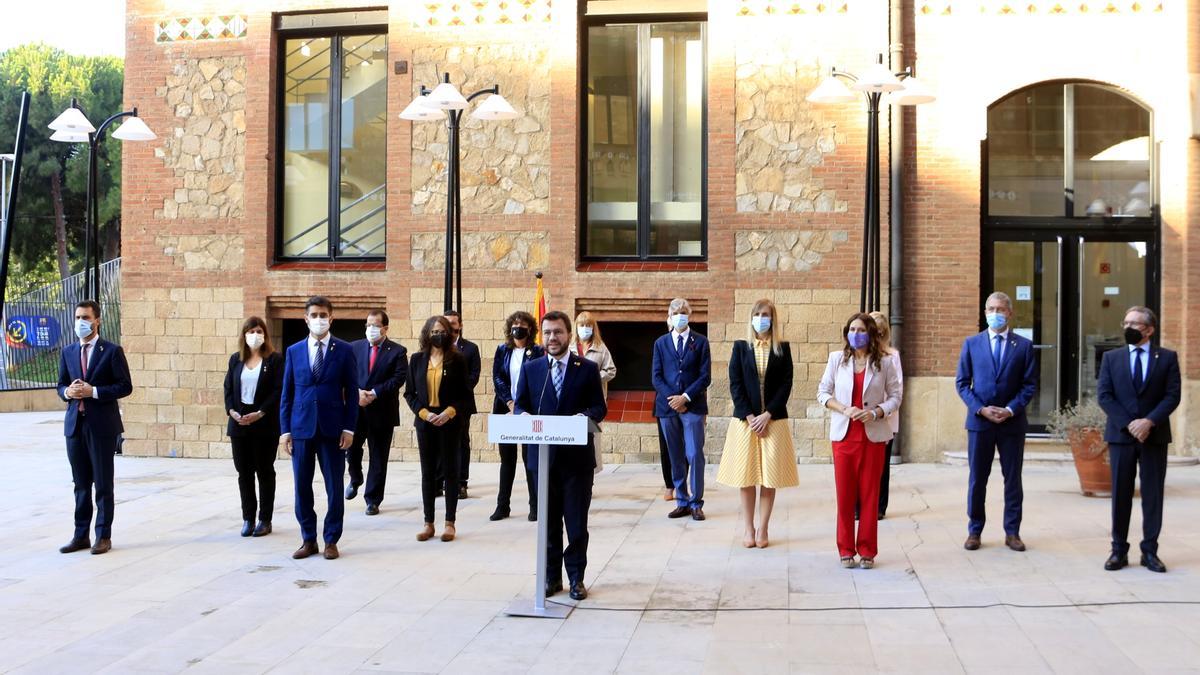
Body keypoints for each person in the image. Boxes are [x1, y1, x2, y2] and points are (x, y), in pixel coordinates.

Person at [514, 310, 607, 601]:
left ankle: (576, 578)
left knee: (576, 524)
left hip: (576, 462)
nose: (553, 338)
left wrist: (583, 416)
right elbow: (519, 406)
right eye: (548, 333)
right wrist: (524, 416)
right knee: (549, 522)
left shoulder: (586, 368)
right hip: (541, 460)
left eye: (558, 332)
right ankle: (551, 577)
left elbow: (598, 408)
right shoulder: (532, 369)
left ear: (569, 335)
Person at [1097, 306, 1181, 573]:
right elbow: (1105, 395)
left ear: (1149, 329)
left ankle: (1150, 552)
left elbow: (1172, 395)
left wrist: (1149, 421)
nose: (1129, 327)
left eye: (1135, 323)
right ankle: (1118, 551)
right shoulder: (1112, 358)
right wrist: (1130, 424)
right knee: (1120, 494)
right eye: (1126, 322)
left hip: (1154, 436)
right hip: (1122, 437)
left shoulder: (1167, 358)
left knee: (1153, 495)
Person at [955, 291, 1038, 552]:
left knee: (1012, 479)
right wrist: (980, 409)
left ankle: (1012, 532)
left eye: (1000, 309)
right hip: (980, 423)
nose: (995, 314)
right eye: (990, 309)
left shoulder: (1023, 346)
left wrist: (1010, 410)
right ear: (984, 312)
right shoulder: (972, 343)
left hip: (1011, 424)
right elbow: (962, 383)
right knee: (978, 478)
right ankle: (974, 530)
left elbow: (1029, 384)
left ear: (1010, 313)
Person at [817, 313, 902, 569]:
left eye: (861, 329)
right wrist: (844, 409)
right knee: (845, 495)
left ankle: (867, 550)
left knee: (869, 495)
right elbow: (822, 392)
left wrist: (876, 411)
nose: (856, 334)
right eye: (852, 329)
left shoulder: (885, 363)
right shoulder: (836, 359)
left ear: (871, 333)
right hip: (844, 436)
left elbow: (896, 396)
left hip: (873, 436)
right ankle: (845, 549)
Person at [280, 296, 359, 560]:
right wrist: (285, 431)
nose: (318, 319)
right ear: (305, 318)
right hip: (301, 428)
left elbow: (352, 391)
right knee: (302, 486)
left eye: (323, 314)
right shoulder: (293, 351)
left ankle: (331, 540)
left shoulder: (345, 350)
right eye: (313, 315)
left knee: (334, 487)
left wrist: (349, 429)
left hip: (333, 429)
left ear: (331, 318)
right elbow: (287, 394)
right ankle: (308, 539)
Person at [718, 299, 797, 549]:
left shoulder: (782, 348)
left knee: (769, 478)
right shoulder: (741, 348)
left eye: (767, 314)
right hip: (745, 422)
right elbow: (735, 383)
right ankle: (748, 529)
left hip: (773, 421)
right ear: (751, 317)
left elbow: (786, 383)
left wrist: (768, 414)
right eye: (758, 314)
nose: (762, 318)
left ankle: (763, 528)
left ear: (773, 319)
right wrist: (751, 416)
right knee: (747, 476)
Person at [56, 300, 133, 555]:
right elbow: (60, 385)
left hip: (101, 427)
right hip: (75, 426)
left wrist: (94, 391)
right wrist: (68, 391)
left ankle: (103, 536)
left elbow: (124, 386)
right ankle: (80, 535)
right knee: (80, 484)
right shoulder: (68, 352)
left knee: (102, 484)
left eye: (85, 317)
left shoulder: (111, 351)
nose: (81, 322)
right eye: (78, 317)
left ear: (96, 320)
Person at [405, 315, 471, 542]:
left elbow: (465, 395)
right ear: (427, 334)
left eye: (442, 330)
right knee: (428, 473)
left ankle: (450, 523)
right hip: (426, 421)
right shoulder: (416, 360)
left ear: (449, 333)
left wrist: (449, 413)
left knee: (451, 472)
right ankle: (428, 522)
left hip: (449, 422)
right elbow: (410, 394)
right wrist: (424, 414)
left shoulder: (457, 359)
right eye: (434, 331)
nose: (438, 335)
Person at [223, 317, 284, 537]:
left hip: (264, 424)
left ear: (265, 334)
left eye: (258, 331)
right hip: (239, 424)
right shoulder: (235, 360)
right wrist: (232, 411)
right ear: (244, 335)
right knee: (244, 472)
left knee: (265, 472)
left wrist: (260, 413)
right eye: (250, 331)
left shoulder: (275, 360)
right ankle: (248, 518)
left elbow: (278, 391)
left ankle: (264, 519)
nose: (254, 335)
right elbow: (228, 388)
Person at [652, 298, 712, 521]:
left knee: (694, 453)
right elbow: (656, 376)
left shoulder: (701, 341)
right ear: (669, 315)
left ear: (690, 315)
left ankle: (696, 502)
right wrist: (673, 398)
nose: (680, 315)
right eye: (675, 312)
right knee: (675, 455)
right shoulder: (660, 343)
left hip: (693, 406)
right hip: (667, 408)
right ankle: (682, 500)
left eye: (683, 312)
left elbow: (705, 376)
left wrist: (685, 397)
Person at [345, 309, 408, 515]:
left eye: (375, 325)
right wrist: (357, 393)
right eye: (368, 325)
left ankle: (373, 499)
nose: (370, 329)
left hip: (382, 411)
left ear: (385, 328)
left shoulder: (397, 351)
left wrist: (373, 393)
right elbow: (347, 375)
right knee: (352, 449)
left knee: (378, 458)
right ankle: (355, 477)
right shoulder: (354, 347)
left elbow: (398, 378)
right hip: (356, 409)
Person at [490, 311, 544, 521]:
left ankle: (535, 506)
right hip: (505, 408)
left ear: (530, 328)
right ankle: (502, 506)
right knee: (507, 460)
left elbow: (537, 380)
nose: (518, 328)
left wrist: (521, 407)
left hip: (528, 411)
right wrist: (510, 402)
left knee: (529, 459)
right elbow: (498, 377)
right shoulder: (503, 350)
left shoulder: (538, 351)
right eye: (514, 324)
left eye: (522, 325)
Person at [441, 310, 481, 500]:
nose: (450, 327)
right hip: (438, 404)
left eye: (453, 323)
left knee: (461, 443)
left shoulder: (471, 349)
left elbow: (473, 376)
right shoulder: (436, 346)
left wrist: (456, 395)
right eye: (446, 323)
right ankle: (440, 480)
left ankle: (461, 482)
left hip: (462, 405)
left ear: (460, 325)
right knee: (441, 442)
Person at [869, 310, 903, 519]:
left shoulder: (892, 356)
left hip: (885, 417)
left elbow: (896, 389)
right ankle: (860, 506)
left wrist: (883, 411)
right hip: (863, 416)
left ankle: (880, 507)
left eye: (881, 332)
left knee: (881, 466)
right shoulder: (859, 354)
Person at [574, 311, 616, 472]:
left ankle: (591, 472)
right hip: (573, 399)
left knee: (592, 438)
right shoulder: (570, 347)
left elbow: (611, 370)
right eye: (582, 325)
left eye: (588, 325)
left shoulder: (600, 348)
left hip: (593, 400)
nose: (585, 328)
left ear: (593, 328)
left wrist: (595, 377)